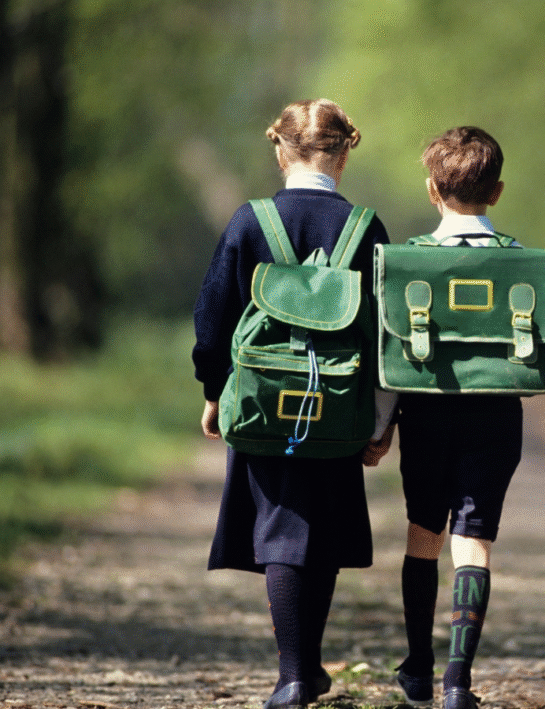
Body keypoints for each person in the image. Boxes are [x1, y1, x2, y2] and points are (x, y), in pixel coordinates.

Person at [192, 99, 390, 709]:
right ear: (346, 152)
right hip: (340, 405)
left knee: (280, 530)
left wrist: (212, 390)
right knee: (322, 531)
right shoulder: (366, 226)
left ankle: (293, 674)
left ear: (279, 149)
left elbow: (212, 317)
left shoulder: (249, 223)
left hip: (261, 400)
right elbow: (387, 335)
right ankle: (307, 667)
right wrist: (382, 422)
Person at [392, 126, 545, 709]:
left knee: (423, 535)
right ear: (497, 193)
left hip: (425, 415)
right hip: (495, 421)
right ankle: (458, 682)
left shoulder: (409, 263)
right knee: (473, 545)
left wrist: (379, 430)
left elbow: (387, 357)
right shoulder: (522, 264)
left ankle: (418, 670)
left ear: (431, 190)